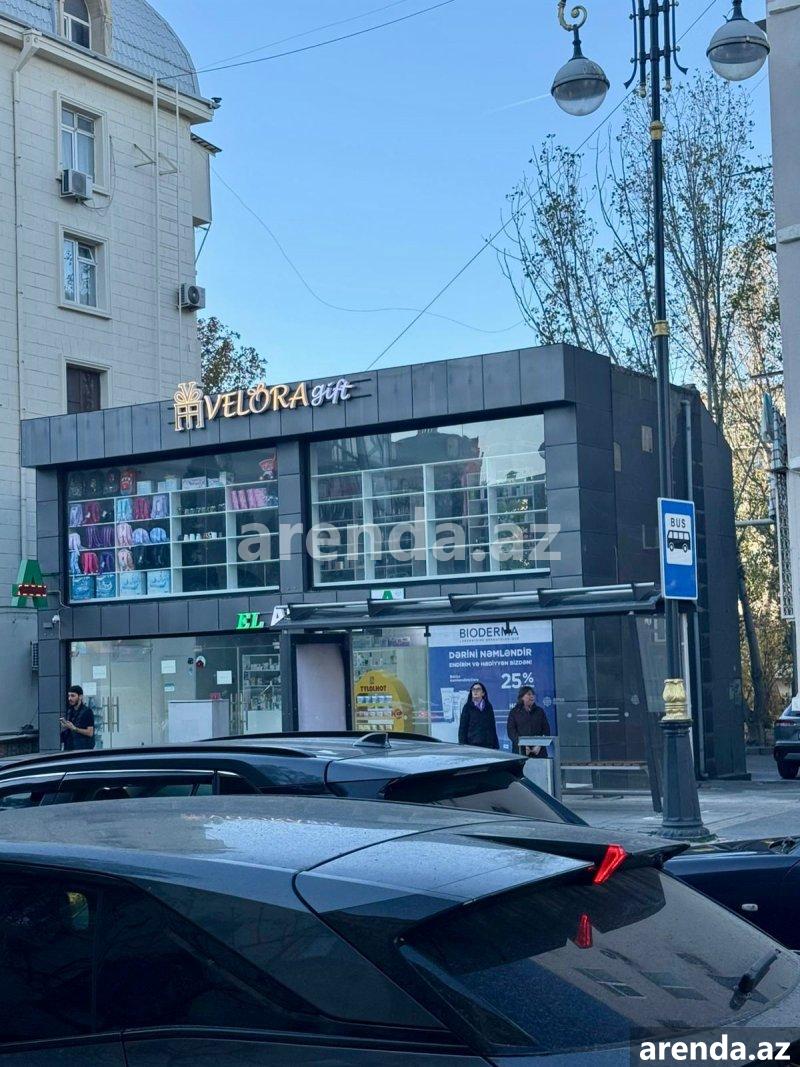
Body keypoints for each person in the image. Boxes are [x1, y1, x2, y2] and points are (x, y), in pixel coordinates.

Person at [507, 685, 549, 757]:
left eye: (533, 694)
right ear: (522, 697)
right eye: (529, 694)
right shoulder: (514, 712)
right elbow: (511, 732)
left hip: (539, 751)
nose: (532, 696)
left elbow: (546, 730)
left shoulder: (540, 711)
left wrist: (539, 745)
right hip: (520, 751)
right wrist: (523, 745)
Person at [458, 681, 499, 749]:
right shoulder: (467, 707)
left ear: (483, 693)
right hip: (472, 746)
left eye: (478, 689)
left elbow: (492, 726)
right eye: (473, 689)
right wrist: (463, 745)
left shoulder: (488, 706)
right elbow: (463, 728)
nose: (475, 691)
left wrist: (495, 745)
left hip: (488, 745)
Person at [60, 685, 95, 751]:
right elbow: (71, 728)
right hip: (69, 747)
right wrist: (66, 726)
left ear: (80, 697)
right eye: (69, 696)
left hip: (82, 749)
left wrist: (74, 728)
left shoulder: (87, 712)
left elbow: (90, 733)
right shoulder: (70, 711)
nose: (70, 698)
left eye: (73, 696)